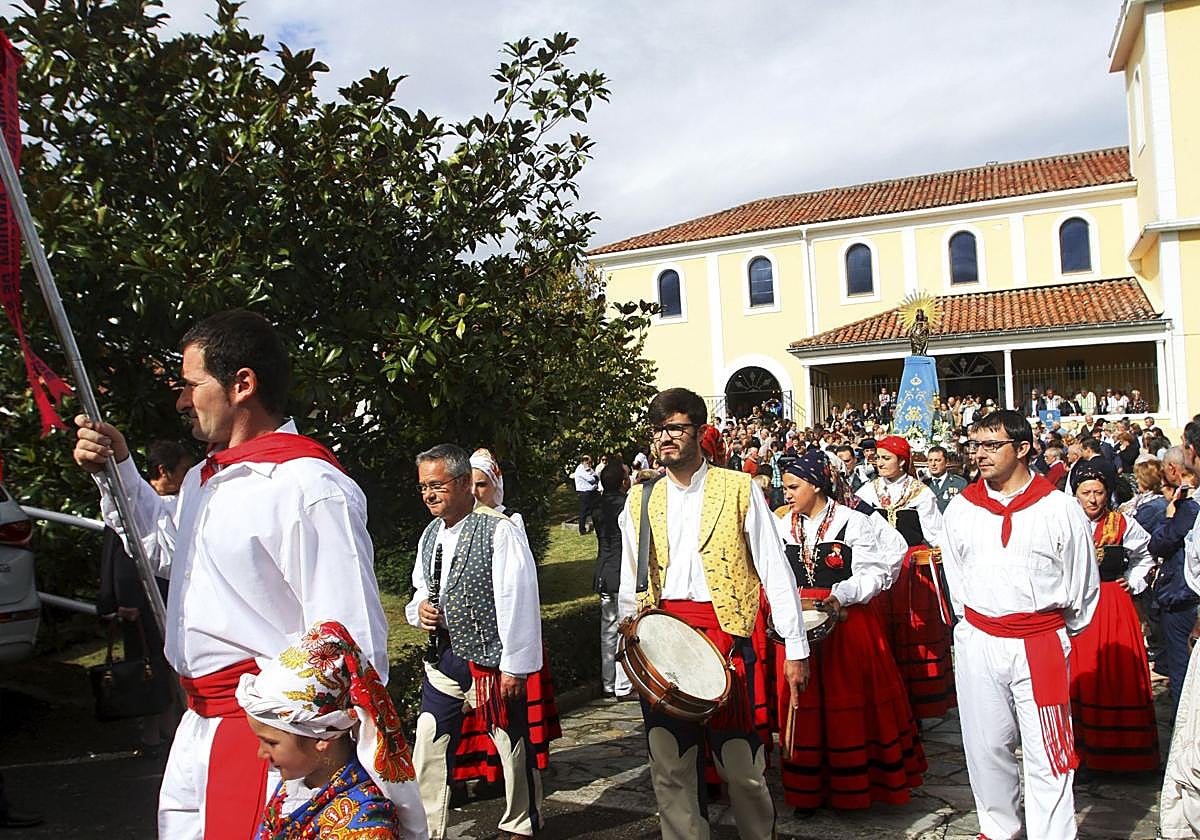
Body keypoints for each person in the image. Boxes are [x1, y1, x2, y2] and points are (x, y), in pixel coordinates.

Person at [70, 310, 414, 840]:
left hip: (269, 744)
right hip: (198, 728)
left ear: (242, 385)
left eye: (192, 385)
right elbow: (167, 553)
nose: (182, 402)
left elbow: (352, 645)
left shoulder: (307, 488)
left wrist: (325, 768)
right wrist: (117, 471)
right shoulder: (202, 481)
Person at [617, 387, 810, 840]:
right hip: (661, 644)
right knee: (670, 768)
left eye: (676, 428)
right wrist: (627, 659)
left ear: (700, 431)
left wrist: (796, 648)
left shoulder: (738, 488)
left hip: (726, 638)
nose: (665, 438)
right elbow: (631, 579)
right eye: (658, 430)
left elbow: (774, 569)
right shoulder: (640, 499)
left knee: (742, 768)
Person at [940, 410, 1098, 840]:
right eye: (976, 445)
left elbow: (1082, 584)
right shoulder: (962, 508)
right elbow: (955, 576)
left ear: (1023, 448)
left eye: (992, 445)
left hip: (1039, 639)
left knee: (1048, 749)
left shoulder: (1059, 508)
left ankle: (1053, 834)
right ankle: (998, 828)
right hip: (980, 638)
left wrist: (1052, 629)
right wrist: (976, 624)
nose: (980, 454)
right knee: (986, 744)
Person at [407, 444, 552, 840]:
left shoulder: (499, 530)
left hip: (489, 661)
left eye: (436, 485)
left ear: (463, 483)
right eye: (423, 487)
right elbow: (420, 588)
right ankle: (426, 830)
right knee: (428, 741)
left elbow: (518, 599)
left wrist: (514, 666)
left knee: (510, 743)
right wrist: (419, 609)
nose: (429, 495)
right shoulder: (430, 534)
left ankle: (522, 822)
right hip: (443, 658)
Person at [772, 450, 923, 813]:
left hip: (846, 625)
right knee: (805, 702)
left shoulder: (852, 522)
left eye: (793, 487)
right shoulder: (783, 524)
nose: (787, 495)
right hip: (799, 623)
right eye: (786, 488)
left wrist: (843, 594)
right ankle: (808, 790)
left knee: (847, 703)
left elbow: (874, 572)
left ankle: (852, 788)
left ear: (816, 485)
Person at [236, 620, 423, 839]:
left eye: (271, 742)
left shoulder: (367, 824)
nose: (261, 753)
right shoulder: (296, 785)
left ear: (321, 739)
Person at [96, 439, 193, 753]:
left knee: (167, 666)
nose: (187, 476)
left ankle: (169, 727)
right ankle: (152, 733)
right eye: (183, 470)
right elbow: (122, 557)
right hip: (141, 603)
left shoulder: (182, 502)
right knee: (148, 667)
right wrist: (124, 600)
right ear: (163, 471)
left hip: (169, 596)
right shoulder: (133, 506)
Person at [1067, 466, 1159, 772]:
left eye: (1099, 492)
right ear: (1076, 494)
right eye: (1086, 493)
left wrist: (1132, 580)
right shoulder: (1067, 522)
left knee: (1118, 672)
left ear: (1108, 492)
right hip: (1078, 605)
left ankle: (1126, 754)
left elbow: (1146, 555)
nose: (1093, 499)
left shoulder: (1122, 523)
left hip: (1112, 603)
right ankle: (1084, 752)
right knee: (1083, 673)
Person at [855, 435, 954, 719]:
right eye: (878, 458)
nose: (880, 463)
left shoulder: (920, 493)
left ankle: (917, 702)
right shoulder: (867, 492)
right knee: (882, 630)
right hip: (880, 567)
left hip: (911, 573)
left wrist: (941, 557)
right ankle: (886, 700)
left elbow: (936, 534)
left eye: (886, 458)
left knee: (912, 632)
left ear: (902, 461)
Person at [593, 458, 632, 700]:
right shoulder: (626, 505)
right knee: (625, 629)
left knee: (607, 631)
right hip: (621, 571)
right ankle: (623, 683)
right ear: (622, 482)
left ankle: (609, 682)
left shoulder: (597, 505)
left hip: (604, 571)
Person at [470, 448, 526, 541]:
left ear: (495, 484)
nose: (473, 491)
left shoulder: (511, 519)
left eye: (481, 485)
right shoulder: (461, 518)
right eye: (469, 484)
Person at [923, 445, 967, 514]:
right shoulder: (923, 485)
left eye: (937, 460)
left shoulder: (959, 483)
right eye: (930, 460)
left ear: (946, 462)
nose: (933, 464)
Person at [572, 455, 600, 534]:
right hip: (584, 493)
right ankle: (582, 530)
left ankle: (597, 526)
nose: (589, 464)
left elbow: (596, 476)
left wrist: (594, 477)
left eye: (590, 462)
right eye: (587, 462)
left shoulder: (589, 469)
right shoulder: (580, 469)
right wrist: (594, 477)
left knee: (595, 509)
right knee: (583, 511)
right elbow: (591, 479)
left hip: (592, 491)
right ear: (583, 461)